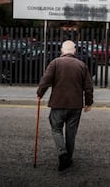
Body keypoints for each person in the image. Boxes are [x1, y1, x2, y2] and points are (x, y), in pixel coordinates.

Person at [37, 40, 93, 171]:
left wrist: (40, 93)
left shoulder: (55, 63)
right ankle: (68, 159)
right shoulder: (82, 65)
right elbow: (88, 87)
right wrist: (88, 102)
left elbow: (45, 81)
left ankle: (62, 154)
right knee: (71, 133)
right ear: (74, 51)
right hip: (75, 106)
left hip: (58, 104)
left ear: (62, 51)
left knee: (56, 129)